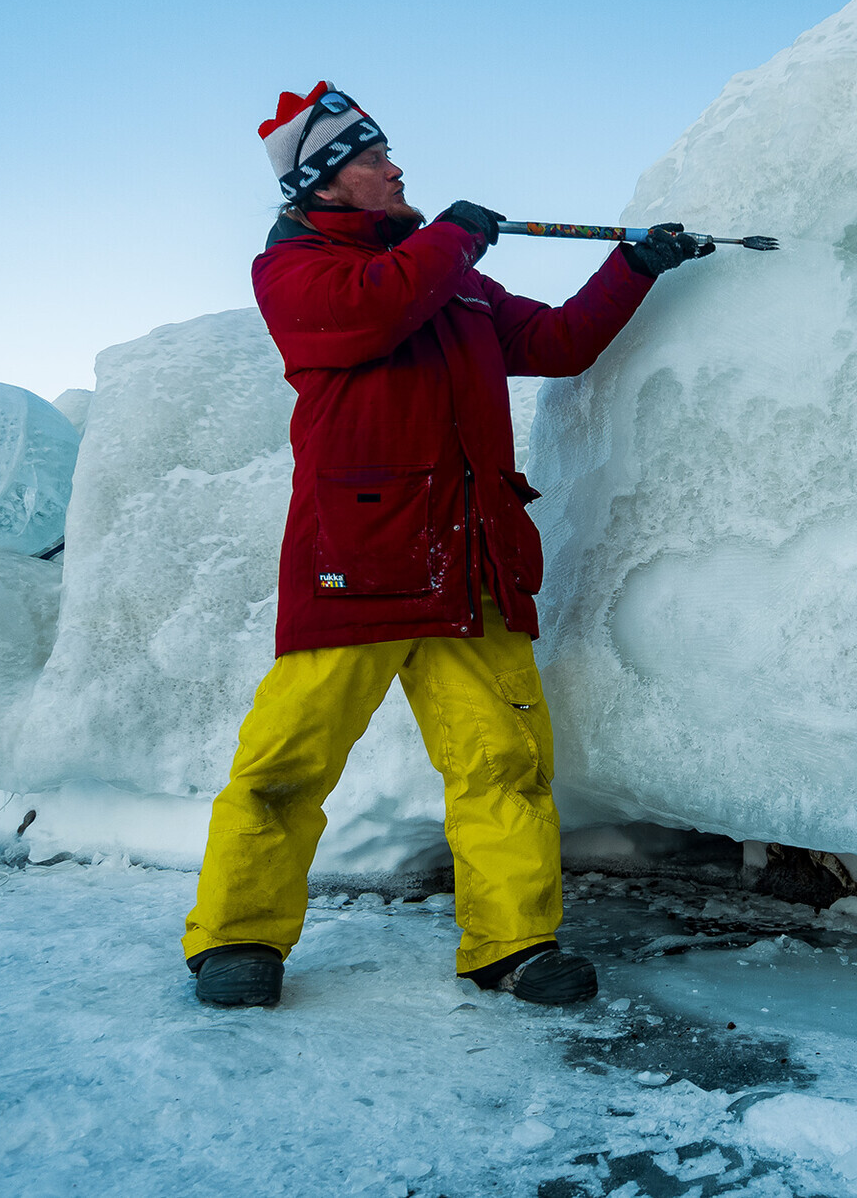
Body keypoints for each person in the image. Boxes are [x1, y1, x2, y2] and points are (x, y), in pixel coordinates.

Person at [182, 82, 710, 1007]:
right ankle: (236, 939)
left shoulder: (450, 278)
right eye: (374, 158)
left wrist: (634, 267)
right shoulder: (298, 272)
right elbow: (371, 311)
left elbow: (556, 341)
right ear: (325, 183)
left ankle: (514, 945)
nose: (396, 169)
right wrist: (453, 236)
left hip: (473, 567)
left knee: (503, 767)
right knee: (282, 767)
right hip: (357, 566)